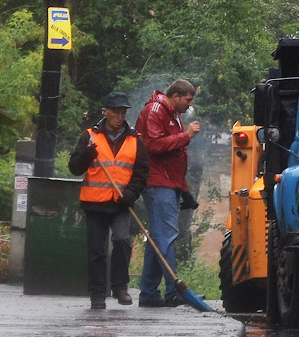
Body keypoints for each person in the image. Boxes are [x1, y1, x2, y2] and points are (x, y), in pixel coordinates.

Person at [69, 92, 149, 310]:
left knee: (122, 241)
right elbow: (75, 168)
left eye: (123, 112)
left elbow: (141, 173)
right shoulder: (90, 137)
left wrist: (131, 194)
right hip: (94, 203)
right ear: (105, 112)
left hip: (121, 203)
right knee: (96, 250)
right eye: (115, 112)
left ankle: (120, 287)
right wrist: (86, 155)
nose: (119, 117)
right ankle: (97, 294)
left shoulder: (135, 139)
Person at [135, 79, 201, 307]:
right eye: (188, 100)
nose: (189, 105)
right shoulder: (156, 110)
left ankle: (149, 293)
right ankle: (174, 291)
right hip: (157, 183)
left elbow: (175, 158)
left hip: (167, 183)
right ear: (175, 96)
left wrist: (184, 190)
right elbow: (153, 145)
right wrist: (187, 136)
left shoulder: (174, 115)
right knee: (167, 236)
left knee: (158, 239)